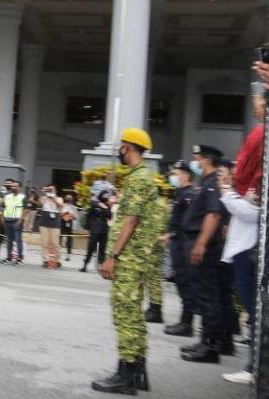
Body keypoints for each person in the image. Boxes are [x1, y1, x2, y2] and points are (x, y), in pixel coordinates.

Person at [92, 128, 157, 395]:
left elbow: (131, 220)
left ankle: (126, 374)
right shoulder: (141, 177)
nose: (120, 150)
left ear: (127, 148)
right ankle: (138, 371)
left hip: (128, 258)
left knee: (125, 315)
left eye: (121, 145)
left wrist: (113, 257)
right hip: (136, 257)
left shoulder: (139, 179)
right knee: (134, 315)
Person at [179, 145, 233, 364]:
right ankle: (205, 341)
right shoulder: (208, 183)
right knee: (205, 294)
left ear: (207, 160)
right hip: (200, 242)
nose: (196, 163)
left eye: (197, 159)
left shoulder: (211, 185)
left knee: (208, 296)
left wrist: (200, 244)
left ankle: (210, 346)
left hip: (205, 246)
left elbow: (213, 215)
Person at [219, 163, 260, 386]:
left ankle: (253, 367)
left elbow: (250, 213)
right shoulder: (247, 189)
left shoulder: (255, 187)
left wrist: (228, 195)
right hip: (241, 253)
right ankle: (252, 365)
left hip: (247, 252)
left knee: (254, 311)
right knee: (251, 309)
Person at [163, 160, 198, 337]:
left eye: (175, 173)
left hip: (183, 245)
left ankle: (187, 323)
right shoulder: (181, 193)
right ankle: (184, 321)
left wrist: (172, 235)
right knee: (181, 282)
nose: (172, 177)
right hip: (178, 244)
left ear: (185, 175)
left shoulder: (189, 194)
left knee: (185, 283)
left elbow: (187, 223)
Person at [143, 177, 172, 324]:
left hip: (154, 246)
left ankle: (156, 310)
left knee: (153, 278)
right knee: (151, 278)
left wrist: (149, 245)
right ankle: (153, 307)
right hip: (152, 245)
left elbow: (158, 228)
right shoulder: (155, 203)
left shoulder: (158, 204)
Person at [81, 191, 112, 272]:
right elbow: (89, 215)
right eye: (105, 195)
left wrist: (105, 208)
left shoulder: (107, 206)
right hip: (95, 229)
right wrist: (89, 226)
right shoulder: (94, 204)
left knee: (102, 249)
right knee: (91, 248)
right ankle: (85, 265)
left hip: (104, 230)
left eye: (107, 196)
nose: (106, 197)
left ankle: (101, 266)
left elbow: (109, 216)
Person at [37, 184, 64, 269]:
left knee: (55, 243)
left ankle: (57, 260)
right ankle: (45, 260)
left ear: (55, 190)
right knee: (44, 243)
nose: (50, 191)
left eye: (51, 189)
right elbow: (39, 204)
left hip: (55, 223)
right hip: (44, 221)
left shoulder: (59, 198)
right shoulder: (44, 198)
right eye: (49, 189)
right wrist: (44, 194)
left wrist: (53, 197)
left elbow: (60, 206)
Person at [1, 179, 25, 264]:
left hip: (17, 221)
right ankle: (9, 257)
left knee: (18, 240)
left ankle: (19, 258)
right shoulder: (7, 197)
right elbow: (3, 207)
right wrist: (2, 217)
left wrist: (21, 220)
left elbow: (24, 210)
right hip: (7, 220)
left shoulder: (22, 197)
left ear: (20, 188)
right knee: (9, 240)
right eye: (12, 186)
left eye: (16, 186)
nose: (13, 187)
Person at [61, 192, 78, 261]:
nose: (69, 199)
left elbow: (76, 217)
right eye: (67, 198)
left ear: (72, 199)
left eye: (70, 198)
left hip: (69, 223)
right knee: (59, 238)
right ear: (65, 198)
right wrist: (64, 213)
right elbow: (59, 214)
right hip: (62, 222)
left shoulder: (74, 207)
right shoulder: (62, 205)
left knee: (69, 239)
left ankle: (68, 255)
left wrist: (71, 215)